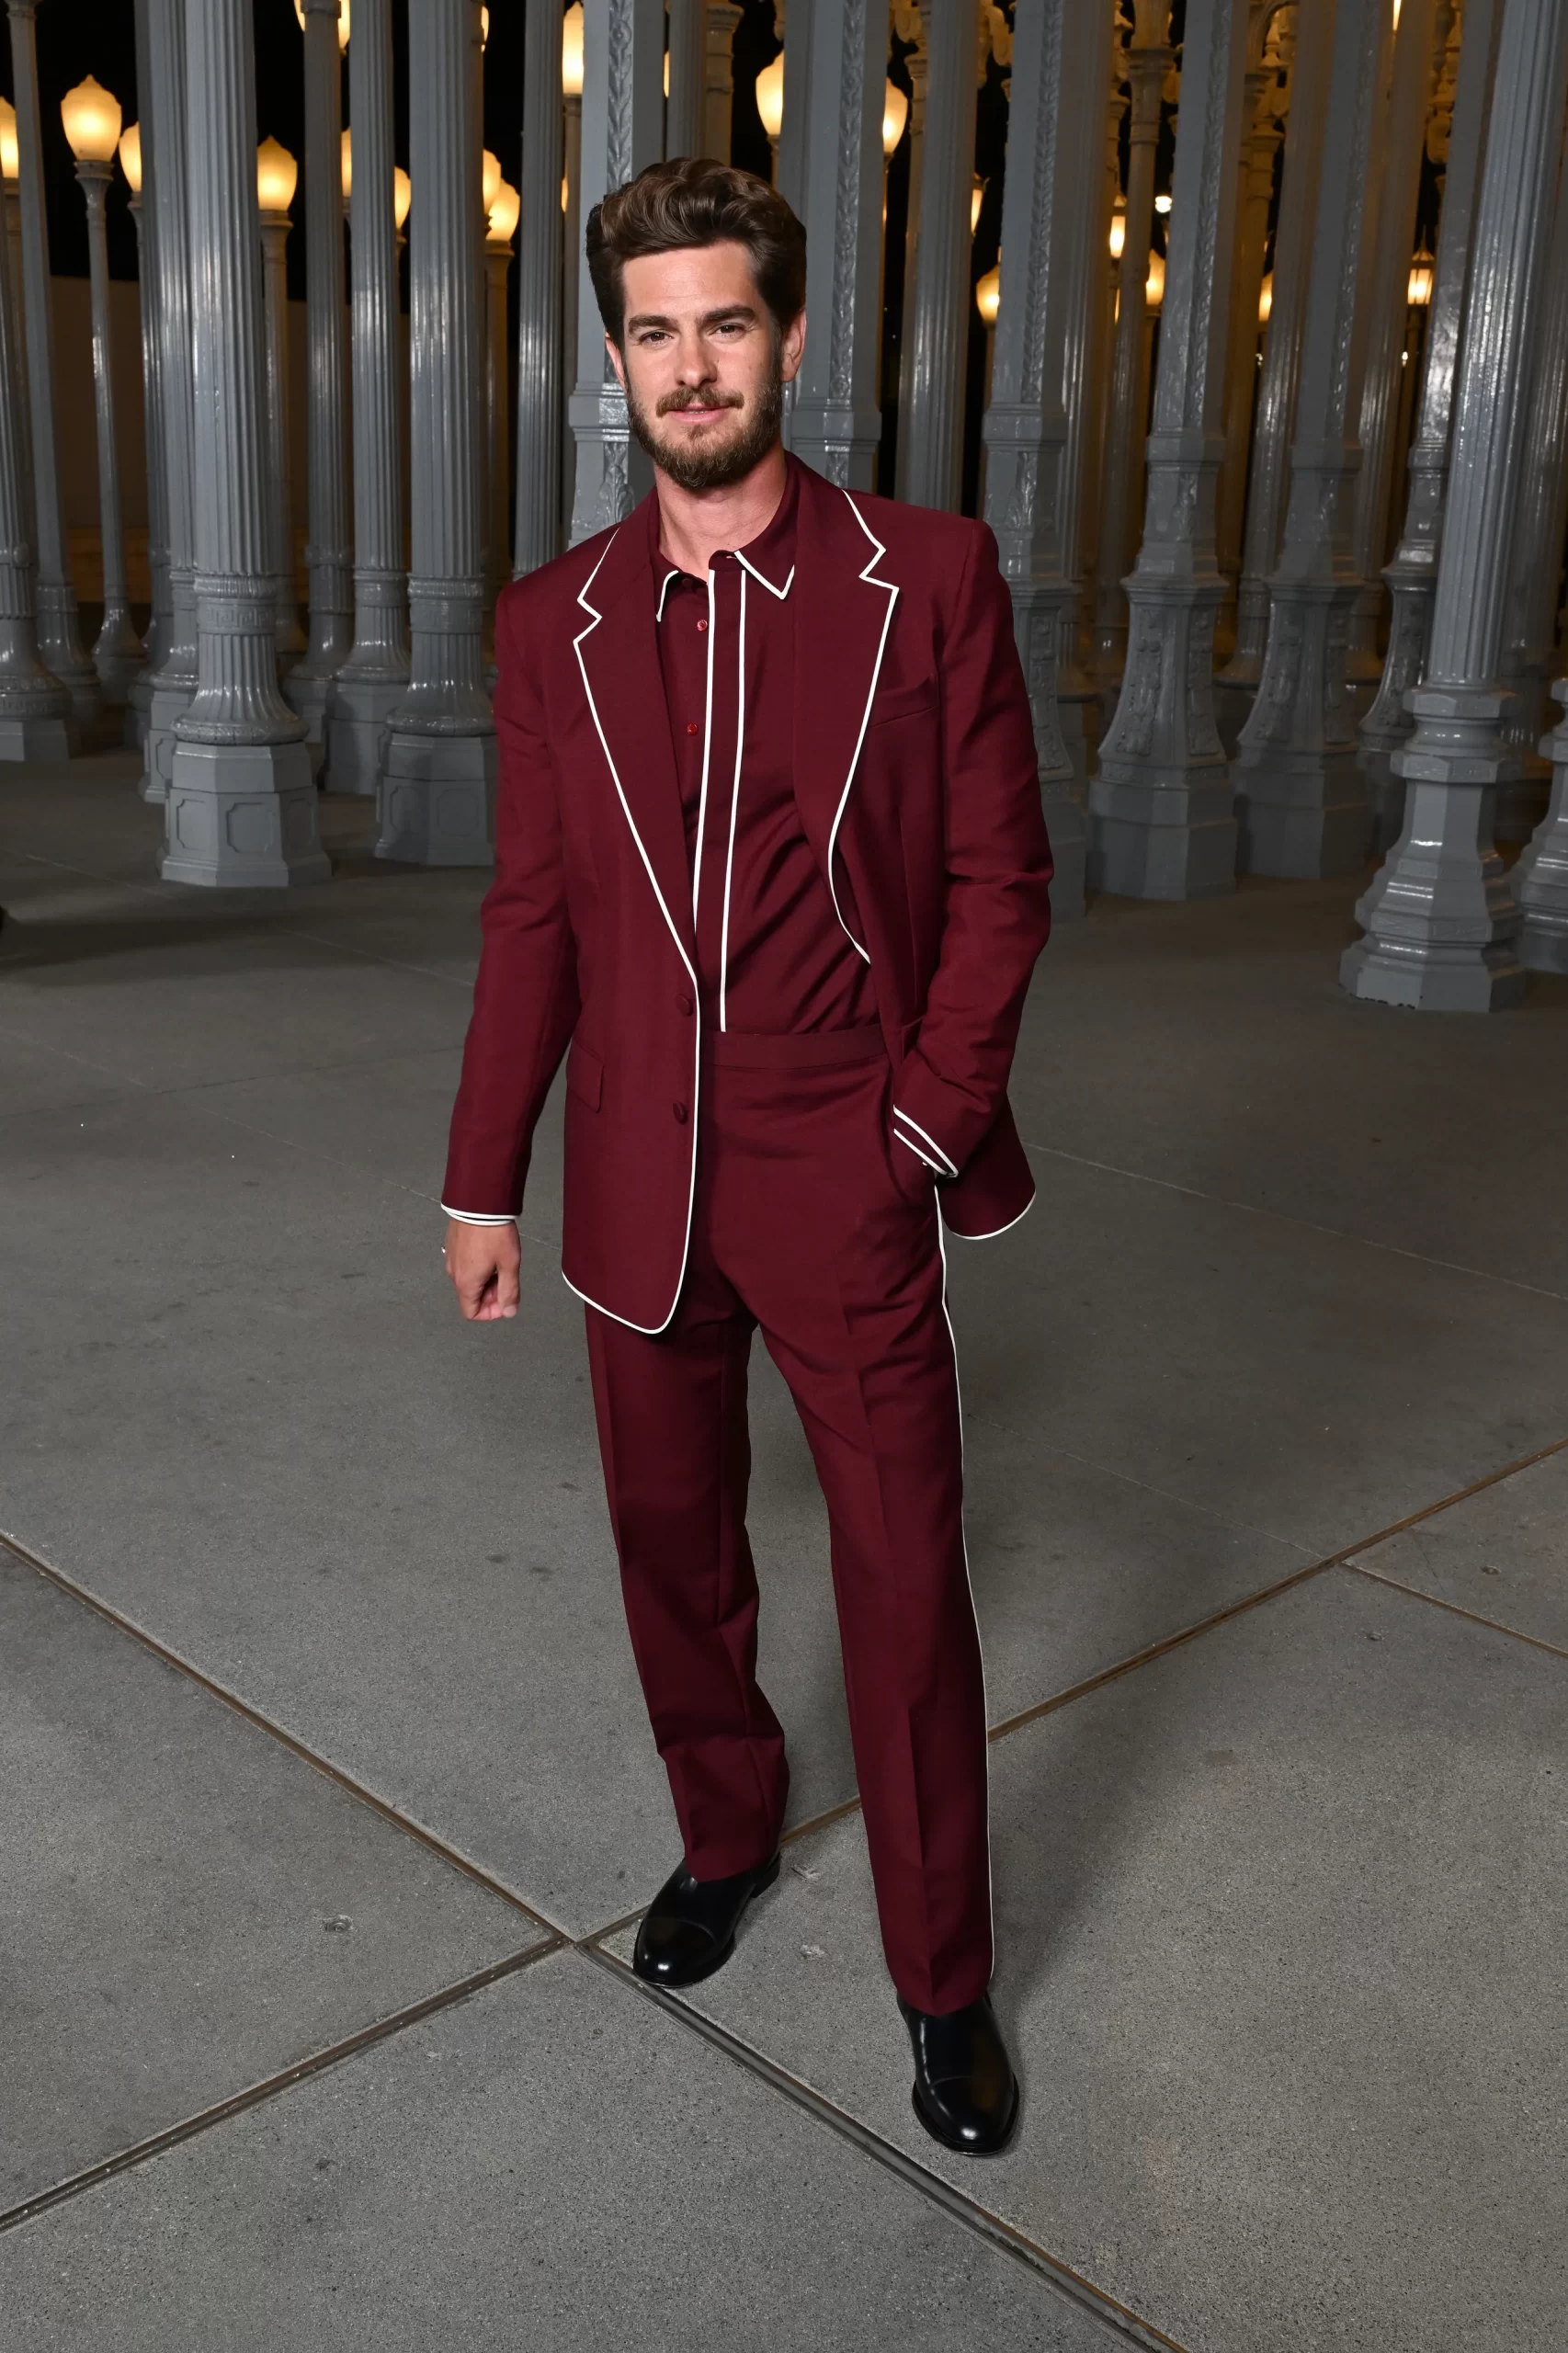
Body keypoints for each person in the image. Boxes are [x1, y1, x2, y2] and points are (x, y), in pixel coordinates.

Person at [442, 157, 1051, 2156]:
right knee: (672, 1551)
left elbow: (997, 883)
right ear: (613, 359)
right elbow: (531, 909)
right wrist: (482, 1176)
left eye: (722, 322)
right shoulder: (556, 620)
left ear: (787, 340)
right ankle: (722, 1833)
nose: (688, 365)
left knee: (899, 1577)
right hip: (634, 1169)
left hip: (841, 1156)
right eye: (651, 330)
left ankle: (943, 1976)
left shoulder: (928, 578)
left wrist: (919, 1127)